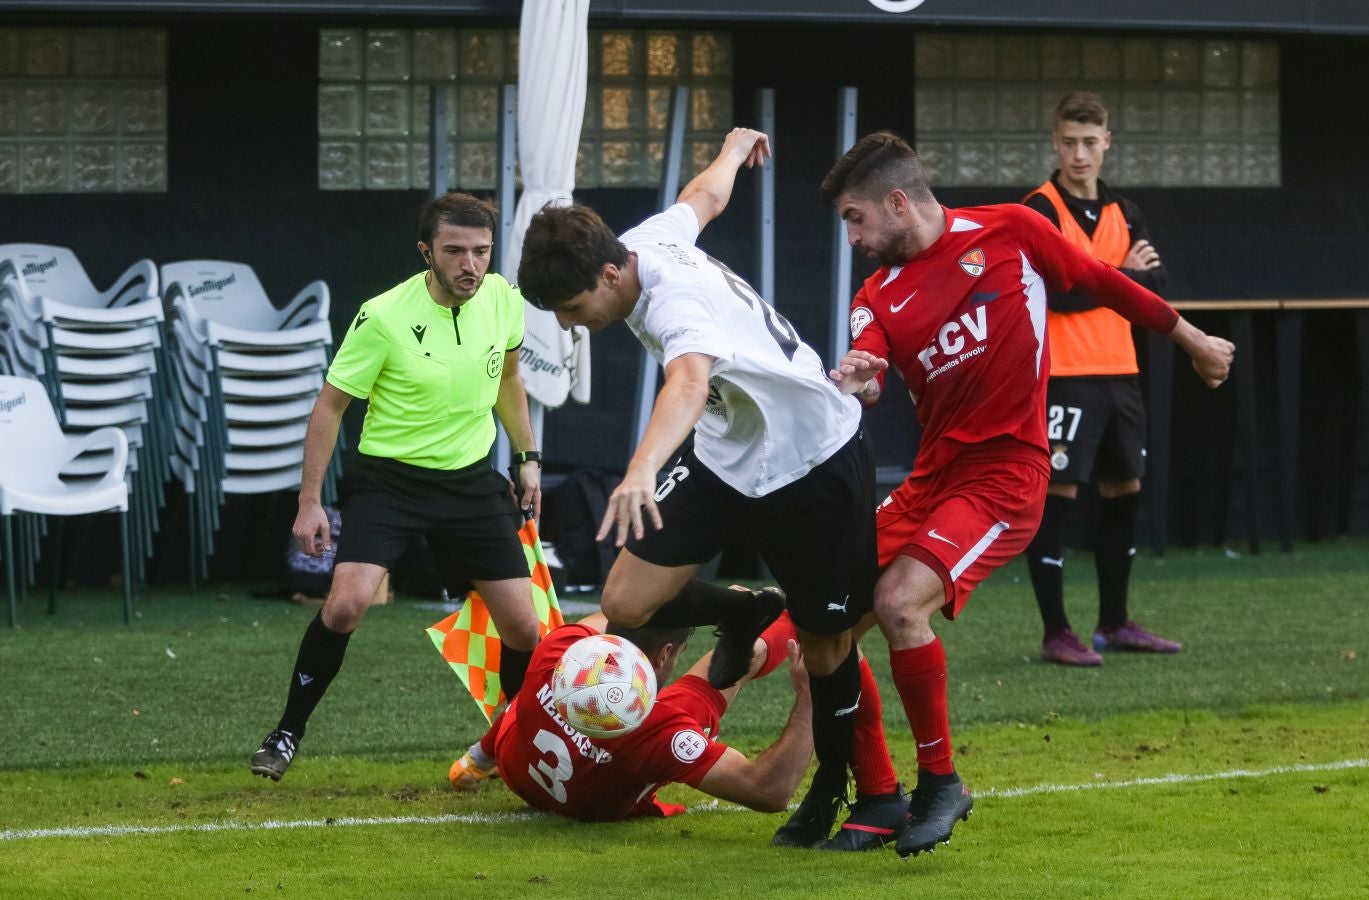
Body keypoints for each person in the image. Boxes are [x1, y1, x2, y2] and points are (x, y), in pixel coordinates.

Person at [822, 132, 1234, 856]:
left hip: (1006, 475)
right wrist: (861, 379)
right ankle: (879, 797)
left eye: (856, 218)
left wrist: (1193, 339)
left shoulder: (1010, 229)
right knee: (817, 633)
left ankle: (940, 783)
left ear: (898, 202)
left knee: (898, 604)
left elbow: (1103, 282)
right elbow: (871, 364)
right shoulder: (876, 294)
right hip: (930, 481)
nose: (852, 238)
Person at [516, 128, 905, 851]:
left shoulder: (676, 302)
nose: (569, 325)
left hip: (813, 459)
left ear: (608, 275)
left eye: (569, 307)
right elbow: (702, 198)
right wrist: (732, 150)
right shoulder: (643, 241)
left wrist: (641, 468)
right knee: (625, 602)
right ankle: (744, 610)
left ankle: (837, 787)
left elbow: (689, 382)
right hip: (730, 456)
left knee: (824, 649)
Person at [249, 193, 543, 781]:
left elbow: (508, 377)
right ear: (425, 252)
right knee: (346, 606)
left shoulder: (505, 300)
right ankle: (286, 732)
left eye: (481, 251)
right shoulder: (382, 315)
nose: (470, 264)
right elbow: (330, 407)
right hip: (390, 482)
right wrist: (309, 503)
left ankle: (509, 741)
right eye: (454, 251)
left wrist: (527, 457)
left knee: (524, 628)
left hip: (469, 481)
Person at [1022, 91, 1180, 667]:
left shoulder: (1125, 213)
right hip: (1065, 375)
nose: (1079, 154)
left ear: (1107, 142)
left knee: (1124, 491)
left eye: (1090, 142)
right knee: (1058, 497)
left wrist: (1115, 282)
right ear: (1055, 142)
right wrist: (1119, 277)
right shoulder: (1039, 210)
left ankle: (1114, 622)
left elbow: (1155, 290)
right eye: (1069, 142)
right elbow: (1052, 292)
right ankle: (1056, 632)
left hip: (1121, 373)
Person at [448, 610, 814, 821]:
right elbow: (768, 791)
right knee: (740, 657)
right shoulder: (663, 730)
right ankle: (800, 615)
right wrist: (810, 697)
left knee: (535, 692)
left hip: (517, 770)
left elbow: (620, 607)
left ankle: (479, 756)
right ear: (665, 654)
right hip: (587, 805)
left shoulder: (561, 646)